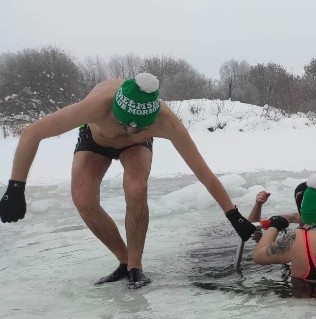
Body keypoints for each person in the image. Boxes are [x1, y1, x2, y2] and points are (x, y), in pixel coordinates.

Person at [0, 73, 256, 288]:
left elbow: (202, 171)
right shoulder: (97, 105)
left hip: (136, 149)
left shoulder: (166, 122)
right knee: (82, 197)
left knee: (136, 188)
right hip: (95, 140)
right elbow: (32, 132)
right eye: (124, 124)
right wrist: (15, 187)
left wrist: (233, 215)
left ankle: (135, 264)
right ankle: (123, 259)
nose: (129, 131)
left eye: (139, 128)